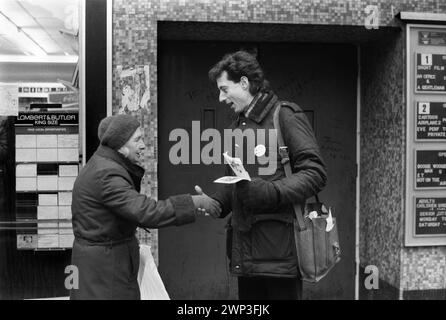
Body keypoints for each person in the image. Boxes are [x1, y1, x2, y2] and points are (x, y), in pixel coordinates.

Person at [200, 51, 327, 300]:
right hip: (245, 253)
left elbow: (316, 173)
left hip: (279, 253)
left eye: (225, 89)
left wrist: (272, 191)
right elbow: (237, 182)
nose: (220, 97)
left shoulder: (285, 115)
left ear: (244, 83)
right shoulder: (236, 127)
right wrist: (217, 202)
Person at [70, 114, 220, 300]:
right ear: (121, 145)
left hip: (103, 264)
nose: (143, 145)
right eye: (137, 139)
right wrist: (194, 202)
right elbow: (146, 211)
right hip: (106, 270)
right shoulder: (106, 174)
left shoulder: (102, 165)